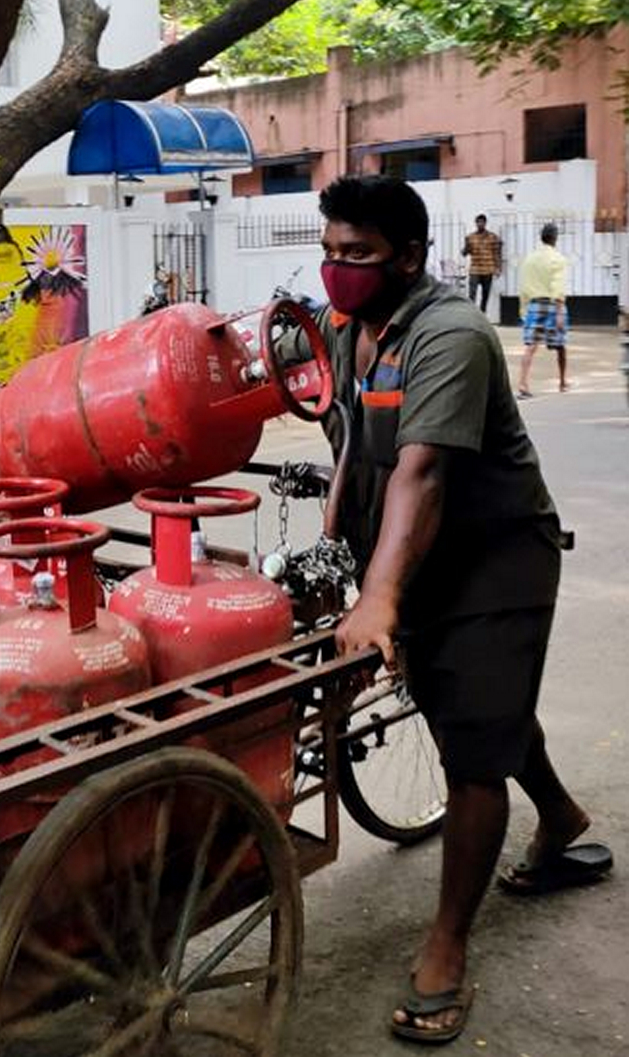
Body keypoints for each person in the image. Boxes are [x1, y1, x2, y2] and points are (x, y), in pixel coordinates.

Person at [305, 177, 611, 1045]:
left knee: (471, 746)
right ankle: (563, 821)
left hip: (493, 555)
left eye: (357, 255)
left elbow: (423, 471)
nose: (338, 270)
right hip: (408, 546)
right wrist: (342, 561)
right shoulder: (340, 329)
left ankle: (447, 945)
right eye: (329, 251)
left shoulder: (453, 335)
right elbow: (347, 451)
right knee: (479, 706)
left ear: (409, 256)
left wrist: (382, 596)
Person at [517, 223, 571, 397]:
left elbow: (524, 285)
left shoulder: (530, 259)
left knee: (530, 346)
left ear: (541, 237)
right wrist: (560, 310)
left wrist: (524, 308)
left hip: (534, 303)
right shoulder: (558, 259)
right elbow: (558, 283)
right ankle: (562, 382)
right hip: (553, 304)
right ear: (555, 238)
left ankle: (523, 383)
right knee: (560, 345)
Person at [461, 214, 502, 313]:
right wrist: (467, 246)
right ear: (476, 223)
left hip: (488, 269)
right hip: (475, 269)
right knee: (472, 293)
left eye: (482, 222)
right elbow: (464, 253)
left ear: (485, 223)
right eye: (478, 222)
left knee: (485, 294)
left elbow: (497, 254)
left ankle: (482, 312)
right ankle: (471, 313)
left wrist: (498, 268)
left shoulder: (493, 237)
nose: (480, 224)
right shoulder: (470, 237)